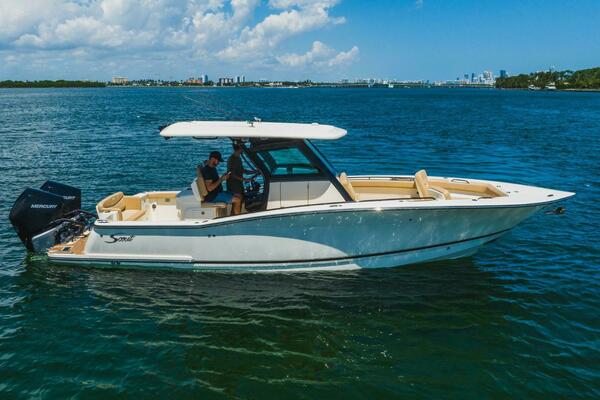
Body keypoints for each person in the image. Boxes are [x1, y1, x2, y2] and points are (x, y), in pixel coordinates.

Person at [200, 150, 242, 215]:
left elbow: (205, 163)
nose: (218, 163)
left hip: (217, 193)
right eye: (218, 161)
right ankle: (237, 219)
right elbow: (209, 188)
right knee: (237, 200)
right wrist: (222, 179)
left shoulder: (211, 167)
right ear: (212, 159)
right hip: (213, 196)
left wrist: (223, 177)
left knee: (239, 195)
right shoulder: (208, 171)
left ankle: (232, 216)